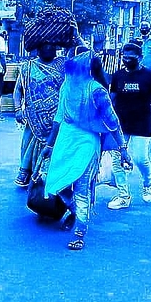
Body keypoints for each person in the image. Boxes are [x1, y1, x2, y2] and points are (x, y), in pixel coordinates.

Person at [41, 51, 132, 250]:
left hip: (86, 144)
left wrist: (123, 149)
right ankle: (76, 212)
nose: (72, 71)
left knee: (82, 188)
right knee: (57, 184)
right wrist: (49, 145)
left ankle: (80, 232)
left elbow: (112, 122)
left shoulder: (97, 91)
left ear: (88, 70)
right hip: (65, 142)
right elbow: (58, 118)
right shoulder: (67, 85)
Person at [107, 42, 151, 210]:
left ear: (140, 58)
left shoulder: (150, 76)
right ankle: (123, 195)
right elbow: (111, 101)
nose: (127, 60)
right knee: (117, 160)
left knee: (140, 158)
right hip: (121, 125)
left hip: (142, 123)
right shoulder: (118, 76)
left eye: (131, 58)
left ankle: (148, 182)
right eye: (124, 57)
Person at [12, 6, 70, 187]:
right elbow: (17, 91)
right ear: (38, 49)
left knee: (56, 146)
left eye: (53, 47)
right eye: (46, 47)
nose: (50, 50)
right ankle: (26, 172)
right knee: (29, 146)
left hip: (57, 116)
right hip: (33, 117)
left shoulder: (63, 65)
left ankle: (51, 174)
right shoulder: (27, 67)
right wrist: (17, 109)